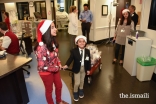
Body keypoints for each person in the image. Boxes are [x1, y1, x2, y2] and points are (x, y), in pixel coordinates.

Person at [34, 20, 68, 104]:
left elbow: (56, 57)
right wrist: (56, 68)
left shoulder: (53, 42)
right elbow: (42, 66)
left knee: (59, 86)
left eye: (54, 27)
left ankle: (59, 101)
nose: (55, 29)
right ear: (46, 30)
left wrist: (59, 64)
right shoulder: (40, 47)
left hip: (54, 69)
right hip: (45, 72)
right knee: (49, 90)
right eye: (52, 27)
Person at [63, 35, 91, 101]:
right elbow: (70, 59)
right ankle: (75, 92)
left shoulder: (87, 51)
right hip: (76, 69)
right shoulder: (74, 51)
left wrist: (88, 69)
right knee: (77, 82)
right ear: (77, 43)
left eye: (83, 41)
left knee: (82, 81)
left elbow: (88, 60)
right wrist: (66, 65)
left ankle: (81, 90)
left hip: (84, 68)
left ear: (85, 43)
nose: (82, 43)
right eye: (80, 41)